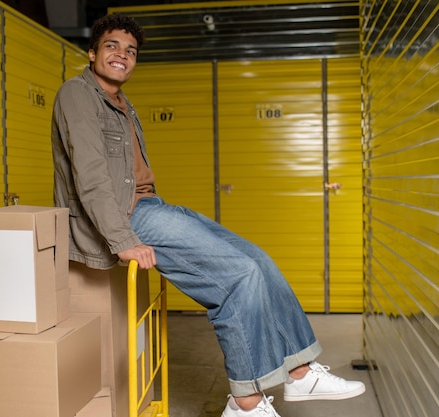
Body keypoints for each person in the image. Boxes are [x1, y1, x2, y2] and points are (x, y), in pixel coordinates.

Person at [51, 13, 366, 417]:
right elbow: (91, 177)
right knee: (238, 276)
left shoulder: (121, 103)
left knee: (259, 260)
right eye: (112, 46)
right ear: (92, 52)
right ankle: (245, 403)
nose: (122, 56)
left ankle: (301, 374)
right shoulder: (77, 95)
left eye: (131, 51)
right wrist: (124, 241)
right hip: (126, 217)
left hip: (151, 206)